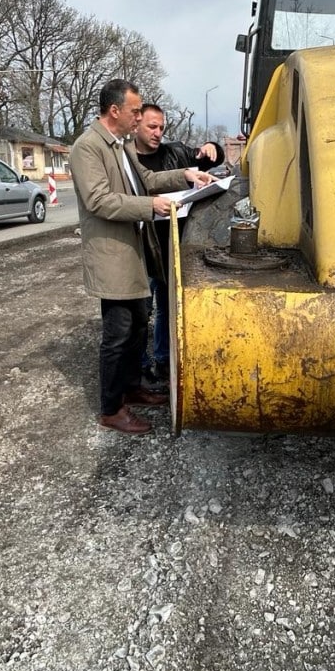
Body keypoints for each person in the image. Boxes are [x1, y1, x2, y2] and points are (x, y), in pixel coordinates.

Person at [71, 79, 214, 435]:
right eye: (136, 111)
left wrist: (184, 174)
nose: (139, 118)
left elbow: (147, 178)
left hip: (132, 252)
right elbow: (99, 200)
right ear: (115, 110)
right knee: (118, 333)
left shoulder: (121, 146)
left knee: (138, 326)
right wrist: (150, 207)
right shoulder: (87, 147)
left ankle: (132, 387)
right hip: (112, 255)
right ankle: (111, 408)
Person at [133, 102, 224, 384]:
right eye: (152, 126)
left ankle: (162, 360)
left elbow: (209, 160)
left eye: (161, 127)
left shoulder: (176, 152)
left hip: (171, 242)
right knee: (139, 310)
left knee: (167, 305)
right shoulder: (127, 161)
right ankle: (139, 366)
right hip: (140, 245)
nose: (158, 132)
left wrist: (212, 147)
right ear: (135, 125)